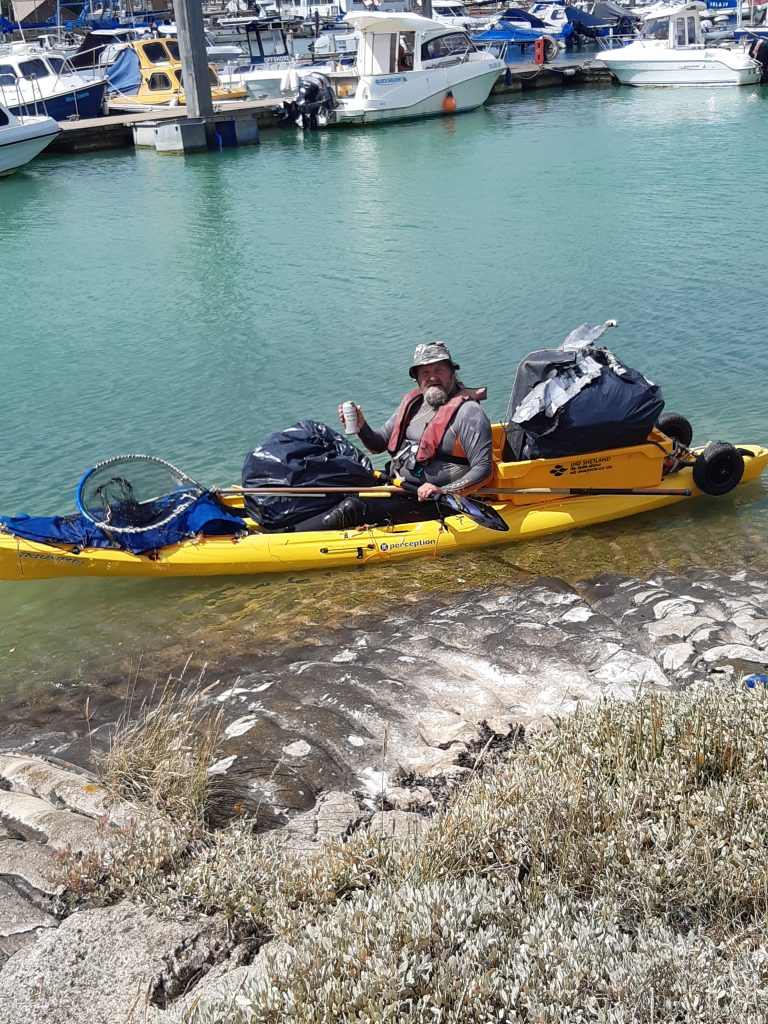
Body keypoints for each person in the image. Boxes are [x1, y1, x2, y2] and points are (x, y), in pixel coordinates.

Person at [295, 342, 493, 530]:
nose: (432, 377)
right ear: (417, 378)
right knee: (338, 483)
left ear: (452, 372)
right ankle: (283, 526)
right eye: (425, 372)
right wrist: (361, 426)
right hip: (400, 486)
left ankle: (287, 539)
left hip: (436, 501)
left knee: (352, 508)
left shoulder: (469, 413)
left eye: (439, 370)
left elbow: (484, 469)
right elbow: (378, 444)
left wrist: (445, 491)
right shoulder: (414, 404)